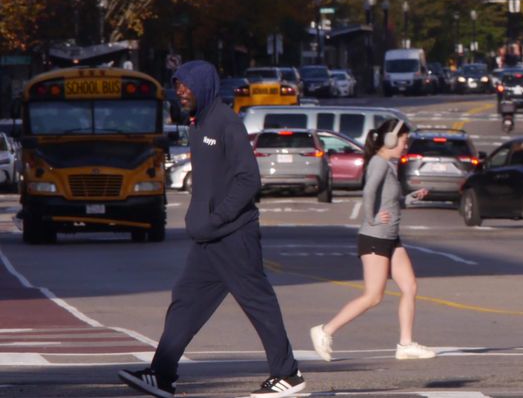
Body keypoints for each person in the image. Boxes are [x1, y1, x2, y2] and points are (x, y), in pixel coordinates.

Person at [118, 60, 305, 398]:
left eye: (185, 87)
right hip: (208, 240)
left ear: (203, 86)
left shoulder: (225, 122)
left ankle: (287, 375)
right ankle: (161, 376)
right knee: (185, 303)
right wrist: (204, 222)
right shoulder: (198, 124)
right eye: (177, 87)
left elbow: (249, 178)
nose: (180, 93)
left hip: (234, 235)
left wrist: (217, 218)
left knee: (258, 303)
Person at [309, 118, 436, 362]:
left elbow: (389, 201)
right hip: (375, 237)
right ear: (390, 140)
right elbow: (368, 192)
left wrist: (410, 199)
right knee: (373, 296)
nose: (405, 146)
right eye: (404, 141)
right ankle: (325, 331)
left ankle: (406, 344)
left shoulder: (389, 165)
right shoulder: (379, 163)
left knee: (410, 287)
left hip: (391, 238)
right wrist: (372, 217)